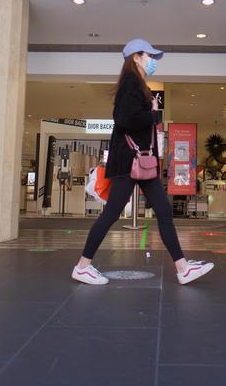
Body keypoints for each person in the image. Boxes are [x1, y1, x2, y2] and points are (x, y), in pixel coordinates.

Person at [72, 39, 214, 285]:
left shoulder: (137, 84)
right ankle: (82, 266)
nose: (153, 61)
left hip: (141, 163)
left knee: (163, 211)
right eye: (149, 56)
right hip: (130, 162)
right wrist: (153, 113)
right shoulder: (130, 83)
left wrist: (151, 112)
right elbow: (124, 119)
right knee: (112, 214)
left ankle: (183, 268)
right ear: (136, 57)